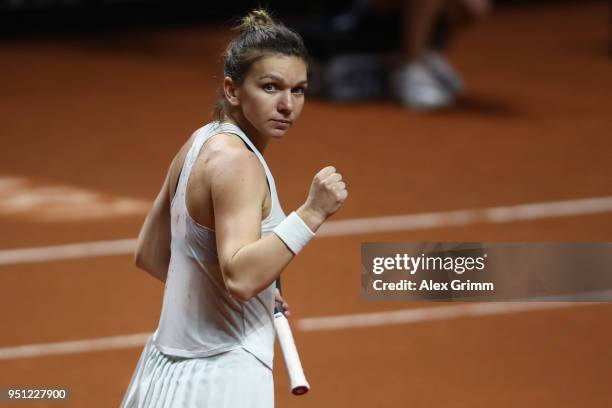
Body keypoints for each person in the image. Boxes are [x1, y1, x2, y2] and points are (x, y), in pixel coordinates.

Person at [120, 9, 348, 408]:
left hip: (161, 375)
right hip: (223, 381)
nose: (287, 105)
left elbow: (151, 254)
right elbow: (241, 277)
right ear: (232, 90)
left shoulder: (200, 142)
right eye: (271, 87)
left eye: (298, 90)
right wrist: (312, 213)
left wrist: (253, 298)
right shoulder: (238, 163)